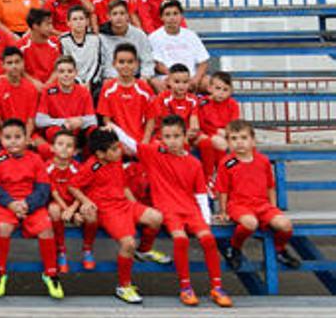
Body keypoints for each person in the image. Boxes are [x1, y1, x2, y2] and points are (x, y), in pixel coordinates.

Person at [125, 115, 232, 307]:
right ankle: (185, 287)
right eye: (167, 136)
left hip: (190, 209)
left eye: (176, 136)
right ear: (161, 137)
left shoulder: (194, 163)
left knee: (208, 239)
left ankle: (217, 287)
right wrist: (111, 127)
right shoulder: (154, 154)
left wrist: (205, 219)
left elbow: (200, 193)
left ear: (184, 137)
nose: (171, 141)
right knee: (180, 239)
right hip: (168, 209)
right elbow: (131, 144)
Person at [69, 129, 168, 305]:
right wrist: (86, 201)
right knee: (128, 243)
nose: (119, 151)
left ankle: (144, 251)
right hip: (108, 210)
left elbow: (123, 186)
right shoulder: (92, 166)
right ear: (100, 154)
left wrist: (136, 206)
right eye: (114, 149)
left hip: (125, 204)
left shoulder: (116, 160)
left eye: (118, 147)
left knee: (157, 217)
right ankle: (124, 286)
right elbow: (73, 186)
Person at [0, 120, 64, 299]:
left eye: (18, 137)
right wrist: (12, 204)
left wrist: (29, 204)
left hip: (32, 204)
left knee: (46, 229)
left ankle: (51, 273)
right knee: (3, 227)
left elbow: (43, 188)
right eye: (8, 137)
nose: (13, 141)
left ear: (26, 139)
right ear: (1, 139)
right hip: (7, 205)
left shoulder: (35, 159)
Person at [216, 120, 302, 271]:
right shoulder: (227, 163)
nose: (239, 143)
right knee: (250, 223)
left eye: (243, 138)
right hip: (238, 205)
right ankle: (234, 248)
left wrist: (273, 207)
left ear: (253, 140)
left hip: (262, 205)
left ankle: (279, 249)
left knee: (285, 225)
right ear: (228, 142)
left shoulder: (262, 161)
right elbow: (222, 190)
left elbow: (270, 186)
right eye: (234, 139)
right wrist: (223, 211)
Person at [44, 130, 90, 274]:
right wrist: (68, 212)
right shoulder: (47, 167)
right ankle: (61, 250)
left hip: (75, 203)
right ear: (52, 147)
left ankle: (87, 249)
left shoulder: (78, 167)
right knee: (53, 209)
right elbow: (54, 193)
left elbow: (81, 191)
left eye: (69, 146)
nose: (64, 148)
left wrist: (74, 209)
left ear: (75, 151)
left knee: (90, 212)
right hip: (58, 204)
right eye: (60, 144)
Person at [34, 57, 97, 154]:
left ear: (75, 73)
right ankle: (64, 154)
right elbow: (39, 120)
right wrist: (64, 122)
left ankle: (82, 154)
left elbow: (93, 120)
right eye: (61, 72)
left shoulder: (83, 92)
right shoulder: (48, 91)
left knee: (94, 131)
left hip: (78, 133)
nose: (66, 75)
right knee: (51, 130)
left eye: (70, 71)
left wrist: (80, 121)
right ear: (56, 74)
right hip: (59, 131)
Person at [97, 43, 155, 148]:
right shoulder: (108, 88)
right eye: (121, 62)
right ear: (114, 64)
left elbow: (151, 118)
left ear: (137, 64)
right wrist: (120, 142)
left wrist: (145, 141)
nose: (126, 66)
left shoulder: (144, 88)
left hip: (141, 140)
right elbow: (107, 120)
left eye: (130, 62)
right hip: (118, 142)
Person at [149, 0, 210, 92]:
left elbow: (203, 62)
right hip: (168, 78)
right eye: (167, 14)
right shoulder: (154, 37)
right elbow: (158, 64)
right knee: (158, 84)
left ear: (181, 16)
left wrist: (196, 79)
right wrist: (177, 79)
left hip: (191, 77)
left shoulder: (191, 35)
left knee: (210, 83)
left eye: (175, 14)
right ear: (161, 17)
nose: (172, 18)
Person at [99, 0, 158, 90]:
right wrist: (117, 79)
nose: (119, 17)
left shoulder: (139, 35)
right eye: (115, 14)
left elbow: (147, 60)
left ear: (127, 16)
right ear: (108, 17)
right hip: (112, 77)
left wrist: (144, 77)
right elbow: (104, 64)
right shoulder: (101, 37)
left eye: (122, 13)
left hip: (136, 76)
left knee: (156, 83)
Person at [197, 71, 241, 177]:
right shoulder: (203, 103)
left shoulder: (232, 104)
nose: (221, 92)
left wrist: (226, 133)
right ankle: (209, 176)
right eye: (217, 88)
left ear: (230, 91)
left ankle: (223, 176)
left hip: (226, 135)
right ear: (210, 88)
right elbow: (202, 124)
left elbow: (234, 124)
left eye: (225, 90)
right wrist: (215, 132)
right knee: (209, 143)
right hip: (207, 134)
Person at [144, 63, 200, 143]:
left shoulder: (193, 99)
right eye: (177, 82)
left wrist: (193, 130)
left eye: (185, 82)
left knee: (206, 141)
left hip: (186, 134)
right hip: (165, 134)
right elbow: (167, 124)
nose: (181, 86)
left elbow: (194, 123)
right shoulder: (162, 98)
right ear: (168, 82)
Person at [58, 5, 107, 90]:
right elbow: (66, 64)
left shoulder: (95, 39)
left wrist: (89, 81)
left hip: (92, 81)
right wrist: (78, 82)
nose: (78, 22)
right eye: (75, 19)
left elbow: (97, 63)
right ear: (68, 22)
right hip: (71, 80)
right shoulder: (63, 41)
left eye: (81, 19)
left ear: (87, 21)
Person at [0, 48, 38, 137]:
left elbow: (31, 120)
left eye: (17, 62)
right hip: (5, 134)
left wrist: (25, 137)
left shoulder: (31, 88)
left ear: (23, 63)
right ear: (3, 65)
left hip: (26, 134)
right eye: (9, 63)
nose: (14, 66)